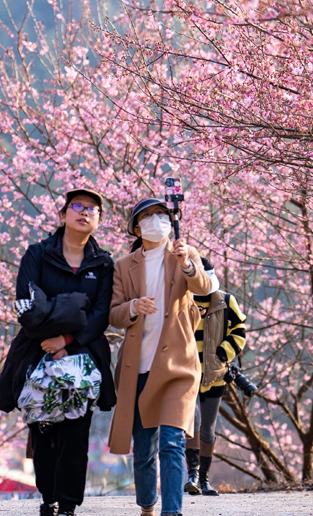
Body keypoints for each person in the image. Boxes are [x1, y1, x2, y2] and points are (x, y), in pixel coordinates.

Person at [0, 188, 116, 516]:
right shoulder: (37, 254)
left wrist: (67, 338)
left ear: (99, 220)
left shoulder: (103, 263)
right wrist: (61, 323)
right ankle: (49, 497)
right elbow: (28, 308)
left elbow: (101, 313)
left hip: (83, 355)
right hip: (38, 352)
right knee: (43, 432)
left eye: (92, 209)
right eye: (77, 206)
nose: (84, 212)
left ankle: (68, 505)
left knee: (76, 434)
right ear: (63, 215)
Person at [107, 198, 212, 516]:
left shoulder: (184, 252)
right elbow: (113, 314)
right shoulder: (124, 266)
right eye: (148, 216)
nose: (156, 220)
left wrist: (187, 265)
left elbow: (204, 287)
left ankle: (172, 512)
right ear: (137, 228)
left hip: (177, 366)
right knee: (144, 449)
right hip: (138, 368)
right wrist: (133, 307)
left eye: (161, 215)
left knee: (171, 442)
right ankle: (147, 506)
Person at [183, 257, 247, 496]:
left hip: (215, 375)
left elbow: (239, 332)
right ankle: (192, 476)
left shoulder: (226, 301)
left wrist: (223, 353)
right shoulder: (182, 299)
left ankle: (204, 479)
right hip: (187, 374)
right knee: (193, 425)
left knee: (208, 429)